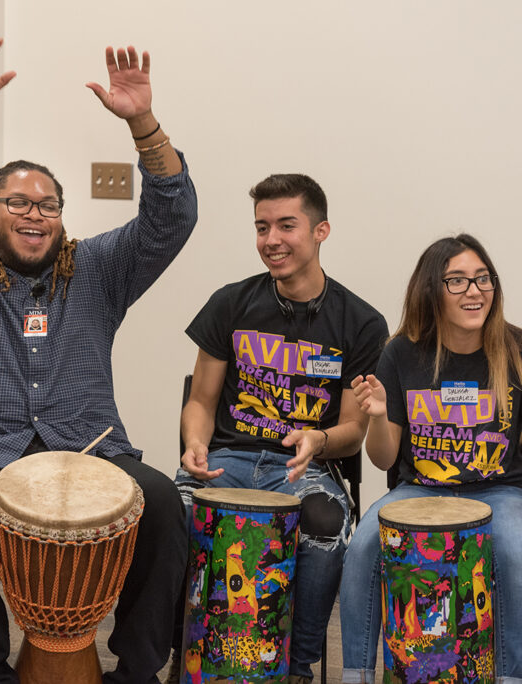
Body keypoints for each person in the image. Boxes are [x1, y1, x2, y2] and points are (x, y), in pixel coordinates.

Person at [0, 34, 196, 683]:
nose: (35, 214)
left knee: (165, 506)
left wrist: (141, 122)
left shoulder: (100, 272)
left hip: (90, 451)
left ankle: (135, 672)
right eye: (18, 203)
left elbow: (172, 217)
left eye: (48, 204)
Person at [173, 174, 388, 682]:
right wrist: (195, 443)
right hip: (228, 458)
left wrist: (318, 439)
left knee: (325, 521)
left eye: (286, 225)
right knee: (170, 511)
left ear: (321, 231)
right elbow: (200, 400)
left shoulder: (360, 322)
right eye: (262, 227)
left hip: (303, 469)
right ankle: (184, 655)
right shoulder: (230, 303)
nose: (272, 240)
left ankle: (297, 664)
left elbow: (354, 428)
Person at [341, 234, 522, 683]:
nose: (475, 291)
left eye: (483, 279)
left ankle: (511, 676)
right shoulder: (402, 352)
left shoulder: (516, 349)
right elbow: (383, 459)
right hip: (419, 489)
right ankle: (357, 674)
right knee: (363, 547)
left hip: (498, 490)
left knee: (514, 552)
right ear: (431, 290)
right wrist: (379, 417)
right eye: (457, 281)